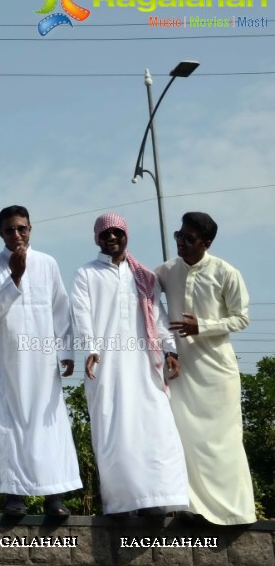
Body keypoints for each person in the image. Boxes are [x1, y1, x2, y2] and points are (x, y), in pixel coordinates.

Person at [70, 213, 188, 516]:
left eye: (117, 232)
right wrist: (91, 350)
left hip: (145, 364)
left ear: (126, 235)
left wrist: (170, 349)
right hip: (107, 366)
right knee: (114, 429)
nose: (112, 237)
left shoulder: (145, 276)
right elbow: (81, 315)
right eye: (105, 233)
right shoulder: (86, 274)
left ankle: (156, 498)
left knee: (155, 427)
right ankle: (123, 502)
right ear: (97, 238)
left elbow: (157, 317)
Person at [0, 205, 80, 516]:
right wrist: (16, 277)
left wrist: (66, 352)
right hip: (8, 360)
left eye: (22, 228)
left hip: (43, 360)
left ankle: (54, 497)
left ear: (31, 228)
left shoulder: (47, 263)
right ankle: (14, 496)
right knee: (9, 424)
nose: (17, 234)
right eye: (10, 229)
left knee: (48, 424)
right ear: (0, 233)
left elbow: (61, 310)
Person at [156, 211, 256, 525]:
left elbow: (241, 318)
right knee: (185, 437)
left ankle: (233, 512)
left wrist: (204, 325)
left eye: (189, 238)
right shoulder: (167, 271)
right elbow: (141, 285)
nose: (181, 243)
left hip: (217, 371)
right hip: (181, 372)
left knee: (223, 441)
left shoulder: (226, 272)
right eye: (178, 236)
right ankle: (189, 506)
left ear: (206, 242)